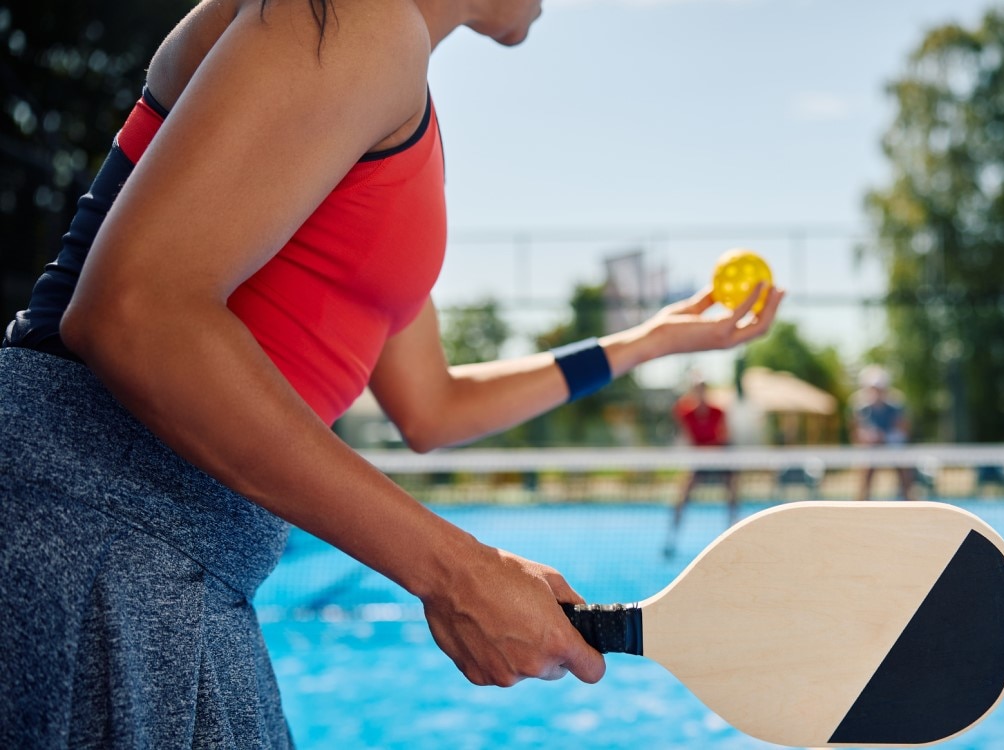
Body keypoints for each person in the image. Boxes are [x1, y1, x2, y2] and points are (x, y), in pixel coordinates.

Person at [0, 0, 785, 745]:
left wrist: (646, 342)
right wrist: (455, 571)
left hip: (183, 548)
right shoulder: (362, 22)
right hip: (93, 520)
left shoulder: (390, 87)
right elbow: (136, 313)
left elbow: (431, 407)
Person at [663, 373, 740, 558]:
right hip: (699, 460)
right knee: (682, 497)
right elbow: (684, 430)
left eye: (703, 388)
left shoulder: (718, 411)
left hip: (719, 458)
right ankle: (671, 539)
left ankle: (735, 534)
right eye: (697, 388)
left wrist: (714, 452)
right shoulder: (685, 412)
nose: (700, 391)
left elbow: (725, 436)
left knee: (733, 493)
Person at [850, 365, 916, 502]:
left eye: (879, 389)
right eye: (873, 388)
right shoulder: (861, 408)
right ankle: (860, 508)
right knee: (865, 475)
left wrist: (884, 438)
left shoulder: (896, 406)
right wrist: (868, 438)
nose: (876, 392)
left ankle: (911, 504)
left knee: (905, 476)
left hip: (894, 448)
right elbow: (857, 435)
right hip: (871, 452)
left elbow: (903, 431)